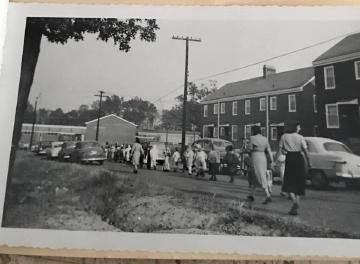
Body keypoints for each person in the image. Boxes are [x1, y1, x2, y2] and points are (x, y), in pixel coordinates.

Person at [279, 123, 310, 216]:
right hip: (299, 158)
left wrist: (276, 160)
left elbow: (281, 150)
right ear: (295, 127)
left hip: (290, 158)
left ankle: (294, 204)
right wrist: (309, 162)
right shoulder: (300, 137)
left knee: (288, 182)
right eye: (299, 127)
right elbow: (305, 151)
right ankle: (296, 205)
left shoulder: (284, 136)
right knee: (298, 182)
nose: (300, 128)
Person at [246, 125, 274, 204]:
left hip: (256, 156)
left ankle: (267, 195)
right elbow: (269, 150)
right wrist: (272, 161)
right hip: (263, 157)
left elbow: (249, 148)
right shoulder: (265, 139)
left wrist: (245, 150)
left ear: (253, 131)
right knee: (258, 175)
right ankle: (251, 195)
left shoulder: (252, 138)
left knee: (259, 175)